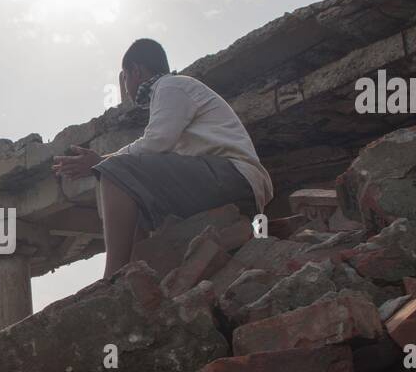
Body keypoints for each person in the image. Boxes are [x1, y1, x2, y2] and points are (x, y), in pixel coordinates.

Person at [53, 38, 273, 279]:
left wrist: (101, 163)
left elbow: (156, 143)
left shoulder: (170, 86)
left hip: (232, 177)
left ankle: (112, 276)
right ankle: (132, 275)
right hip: (227, 181)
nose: (125, 89)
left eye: (124, 78)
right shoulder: (170, 91)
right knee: (133, 193)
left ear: (136, 70)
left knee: (114, 172)